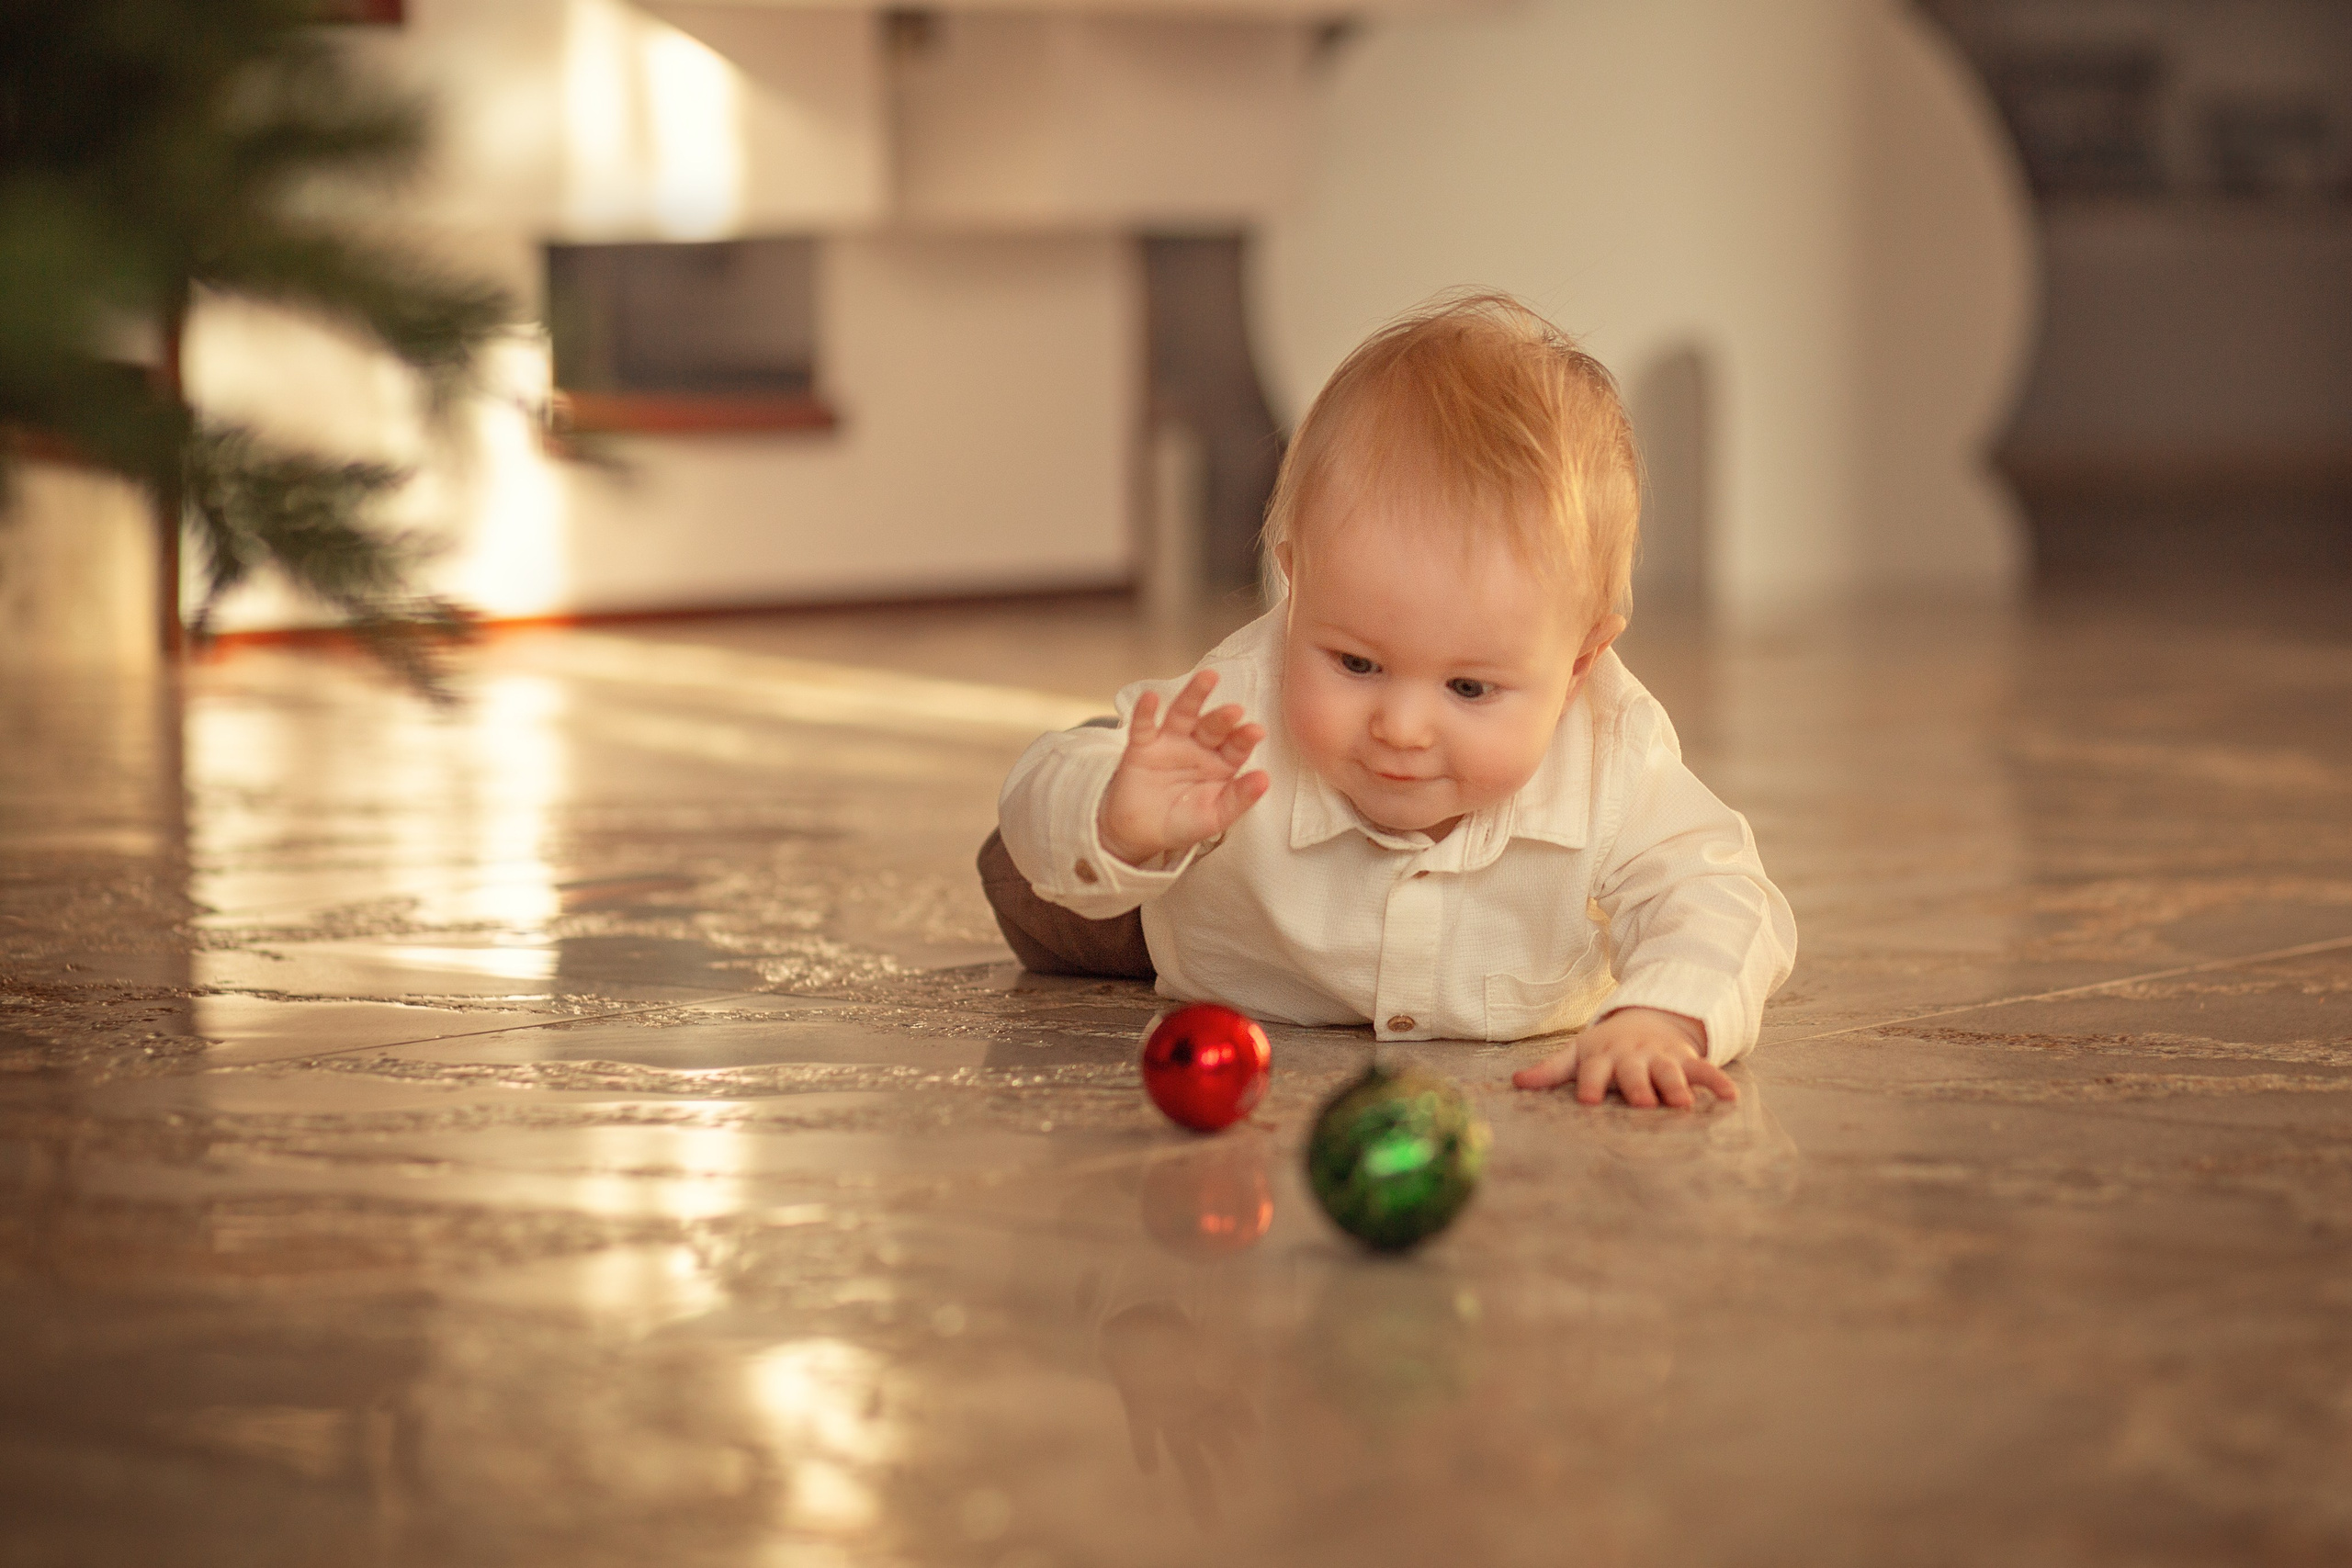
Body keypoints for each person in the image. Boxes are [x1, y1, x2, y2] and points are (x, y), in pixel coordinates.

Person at [980, 293, 1794, 1109]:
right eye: (1358, 663)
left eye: (1469, 687)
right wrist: (1117, 818)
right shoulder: (1241, 703)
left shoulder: (1613, 750)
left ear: (1580, 661)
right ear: (1296, 584)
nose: (1401, 728)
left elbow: (1720, 892)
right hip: (1200, 912)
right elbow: (1061, 807)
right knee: (1044, 854)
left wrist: (1663, 1014)